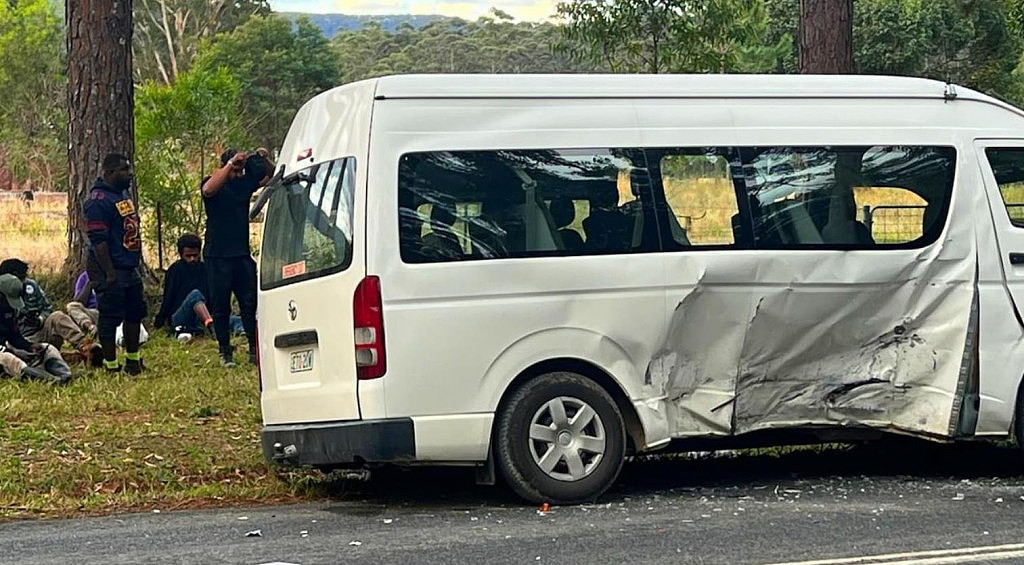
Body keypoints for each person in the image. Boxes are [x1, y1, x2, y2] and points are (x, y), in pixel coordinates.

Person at [200, 148, 272, 367]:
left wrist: (262, 158)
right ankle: (225, 351)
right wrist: (231, 163)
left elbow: (271, 175)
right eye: (235, 167)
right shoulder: (215, 182)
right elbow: (208, 190)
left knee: (249, 304)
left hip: (241, 254)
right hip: (217, 255)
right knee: (221, 306)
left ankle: (253, 348)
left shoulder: (243, 183)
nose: (239, 171)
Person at [83, 153, 147, 375]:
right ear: (110, 173)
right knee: (110, 316)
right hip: (109, 267)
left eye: (129, 169)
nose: (130, 174)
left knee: (135, 312)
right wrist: (109, 273)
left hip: (129, 266)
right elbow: (98, 240)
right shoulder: (98, 201)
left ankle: (133, 360)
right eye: (124, 170)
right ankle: (111, 365)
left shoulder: (122, 194)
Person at [0, 258, 101, 364]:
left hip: (35, 335)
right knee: (19, 357)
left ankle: (85, 346)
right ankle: (68, 358)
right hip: (11, 343)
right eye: (21, 277)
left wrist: (39, 320)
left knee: (57, 316)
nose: (24, 281)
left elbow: (47, 309)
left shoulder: (31, 286)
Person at [154, 233, 244, 339]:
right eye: (188, 256)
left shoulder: (206, 269)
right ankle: (211, 327)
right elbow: (168, 299)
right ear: (181, 254)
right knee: (195, 295)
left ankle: (240, 331)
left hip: (201, 317)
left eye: (195, 255)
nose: (192, 259)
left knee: (237, 320)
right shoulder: (175, 271)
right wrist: (160, 321)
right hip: (181, 317)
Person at [0, 274, 71, 384]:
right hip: (3, 353)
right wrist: (13, 351)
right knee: (8, 358)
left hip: (7, 349)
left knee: (47, 348)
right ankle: (50, 380)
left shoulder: (9, 311)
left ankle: (64, 375)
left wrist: (29, 347)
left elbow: (15, 336)